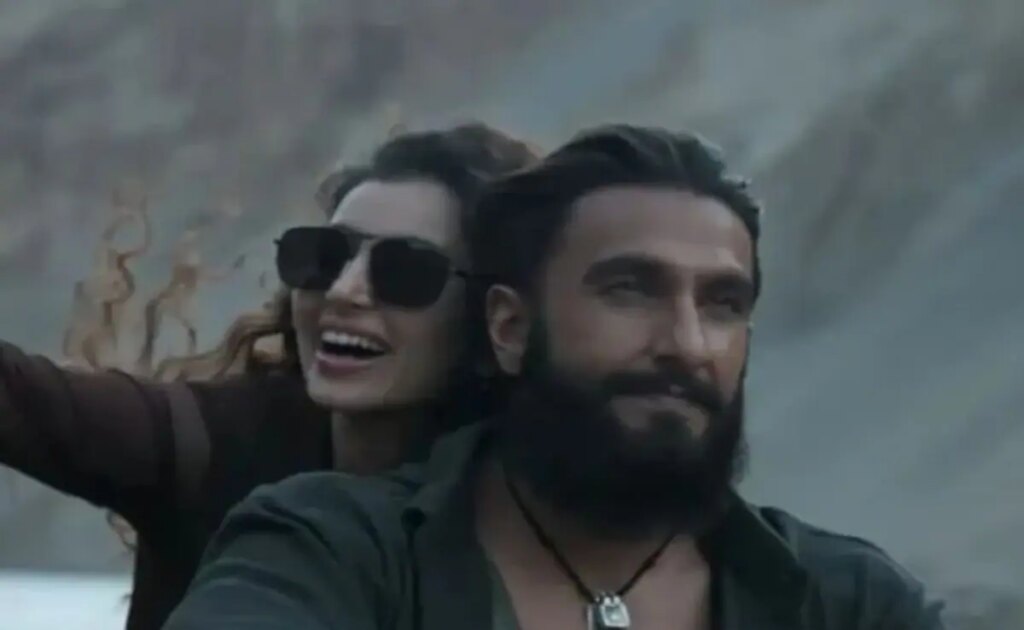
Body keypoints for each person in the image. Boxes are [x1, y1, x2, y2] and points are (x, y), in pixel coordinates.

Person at [164, 124, 947, 630]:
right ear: (509, 327)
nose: (685, 344)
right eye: (629, 289)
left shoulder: (847, 602)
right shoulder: (334, 550)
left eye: (722, 303)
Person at [0, 123, 538, 630]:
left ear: (496, 320)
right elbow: (24, 401)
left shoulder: (533, 504)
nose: (344, 291)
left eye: (405, 270)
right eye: (325, 257)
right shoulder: (216, 445)